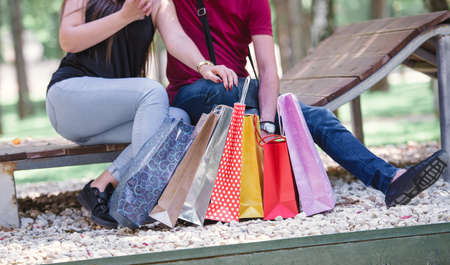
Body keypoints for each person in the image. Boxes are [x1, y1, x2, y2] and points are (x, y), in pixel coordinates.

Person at [167, 0, 449, 208]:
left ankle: (390, 180)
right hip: (196, 91)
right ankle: (388, 178)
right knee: (306, 115)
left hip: (237, 96)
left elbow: (267, 69)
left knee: (310, 116)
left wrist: (266, 122)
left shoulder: (255, 2)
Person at [46, 0, 238, 228]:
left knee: (177, 119)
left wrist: (203, 65)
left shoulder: (157, 3)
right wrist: (125, 16)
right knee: (152, 91)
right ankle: (140, 198)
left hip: (109, 117)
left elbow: (176, 38)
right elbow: (68, 40)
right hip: (70, 99)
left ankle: (100, 186)